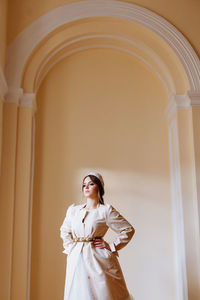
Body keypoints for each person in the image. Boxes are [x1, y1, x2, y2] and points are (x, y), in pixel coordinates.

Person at [60, 171, 135, 300]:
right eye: (84, 185)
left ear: (99, 187)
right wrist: (71, 248)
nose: (86, 187)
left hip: (98, 260)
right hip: (76, 260)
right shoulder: (73, 211)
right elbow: (64, 230)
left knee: (100, 294)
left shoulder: (105, 211)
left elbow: (128, 230)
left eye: (91, 184)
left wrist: (112, 246)